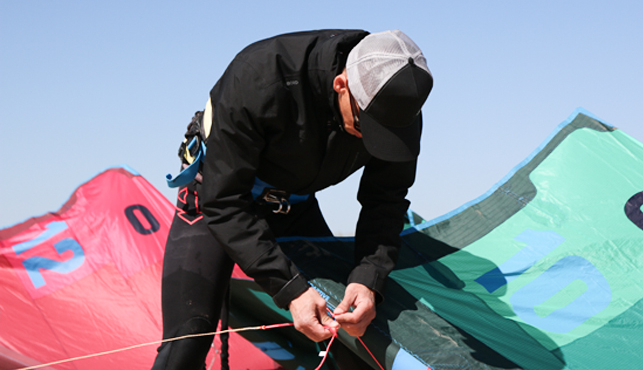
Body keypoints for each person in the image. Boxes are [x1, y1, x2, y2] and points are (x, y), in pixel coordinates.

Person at [152, 29, 433, 369]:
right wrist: (291, 289)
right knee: (187, 340)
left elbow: (386, 200)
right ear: (341, 85)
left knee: (347, 330)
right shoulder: (258, 77)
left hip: (292, 205)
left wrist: (367, 277)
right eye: (365, 125)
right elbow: (224, 203)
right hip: (217, 197)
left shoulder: (397, 108)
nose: (372, 140)